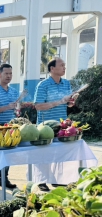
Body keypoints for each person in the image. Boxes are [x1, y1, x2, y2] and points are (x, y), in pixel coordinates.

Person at [33, 57, 79, 191]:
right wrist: (59, 101)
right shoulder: (43, 85)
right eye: (62, 65)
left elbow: (68, 104)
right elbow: (38, 106)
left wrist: (71, 102)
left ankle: (56, 180)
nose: (65, 67)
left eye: (65, 65)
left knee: (59, 154)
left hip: (61, 125)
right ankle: (41, 181)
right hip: (45, 126)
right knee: (44, 155)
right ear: (52, 69)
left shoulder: (66, 84)